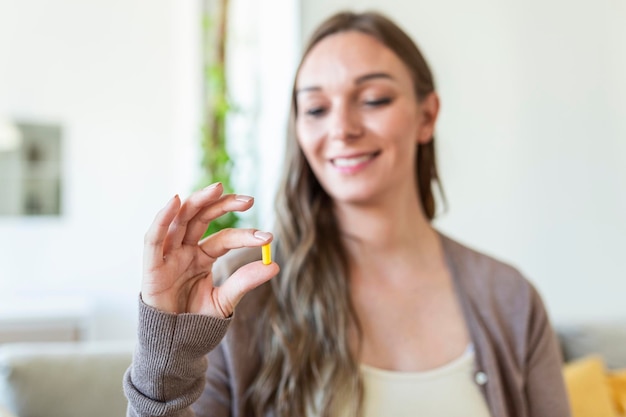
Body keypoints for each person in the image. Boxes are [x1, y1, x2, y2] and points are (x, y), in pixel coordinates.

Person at [124, 10, 571, 417]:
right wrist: (166, 361)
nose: (341, 128)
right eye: (316, 108)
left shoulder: (511, 299)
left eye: (373, 99)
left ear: (427, 116)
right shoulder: (242, 291)